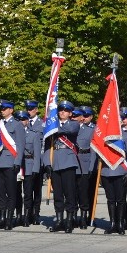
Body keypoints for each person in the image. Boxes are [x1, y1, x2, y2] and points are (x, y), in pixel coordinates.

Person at [101, 107, 127, 234]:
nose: (121, 119)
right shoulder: (106, 133)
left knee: (121, 199)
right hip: (107, 170)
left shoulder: (125, 135)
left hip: (121, 169)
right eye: (119, 117)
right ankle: (112, 224)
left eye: (123, 117)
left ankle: (121, 224)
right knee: (110, 199)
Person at [48, 100, 81, 233]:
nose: (62, 112)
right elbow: (47, 147)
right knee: (58, 195)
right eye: (61, 110)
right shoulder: (52, 125)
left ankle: (69, 221)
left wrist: (51, 127)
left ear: (70, 113)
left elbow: (70, 130)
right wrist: (47, 163)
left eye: (66, 111)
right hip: (55, 162)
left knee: (70, 194)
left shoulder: (74, 124)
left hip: (68, 162)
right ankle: (59, 220)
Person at [0, 100, 25, 230]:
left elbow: (20, 145)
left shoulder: (17, 125)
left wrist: (17, 162)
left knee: (11, 193)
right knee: (1, 193)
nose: (2, 110)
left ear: (11, 110)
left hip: (11, 160)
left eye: (5, 108)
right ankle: (2, 217)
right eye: (2, 109)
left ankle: (9, 220)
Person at [17, 109, 42, 227]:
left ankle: (30, 215)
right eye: (19, 119)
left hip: (29, 165)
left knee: (31, 192)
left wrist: (36, 169)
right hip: (17, 166)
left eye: (23, 119)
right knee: (18, 193)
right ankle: (20, 215)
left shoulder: (33, 134)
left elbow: (37, 153)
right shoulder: (13, 133)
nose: (21, 122)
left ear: (27, 121)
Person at [76, 106, 97, 229]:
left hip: (88, 162)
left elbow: (94, 150)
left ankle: (88, 216)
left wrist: (91, 166)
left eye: (87, 116)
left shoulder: (94, 129)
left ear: (91, 117)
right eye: (82, 116)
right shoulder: (76, 127)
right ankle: (78, 217)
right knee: (78, 192)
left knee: (89, 192)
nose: (84, 118)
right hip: (76, 162)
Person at [24, 100, 44, 224]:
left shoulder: (42, 124)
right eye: (27, 108)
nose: (29, 111)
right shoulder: (22, 122)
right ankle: (27, 213)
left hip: (39, 160)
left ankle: (36, 214)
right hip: (26, 162)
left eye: (31, 108)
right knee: (27, 190)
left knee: (37, 190)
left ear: (36, 109)